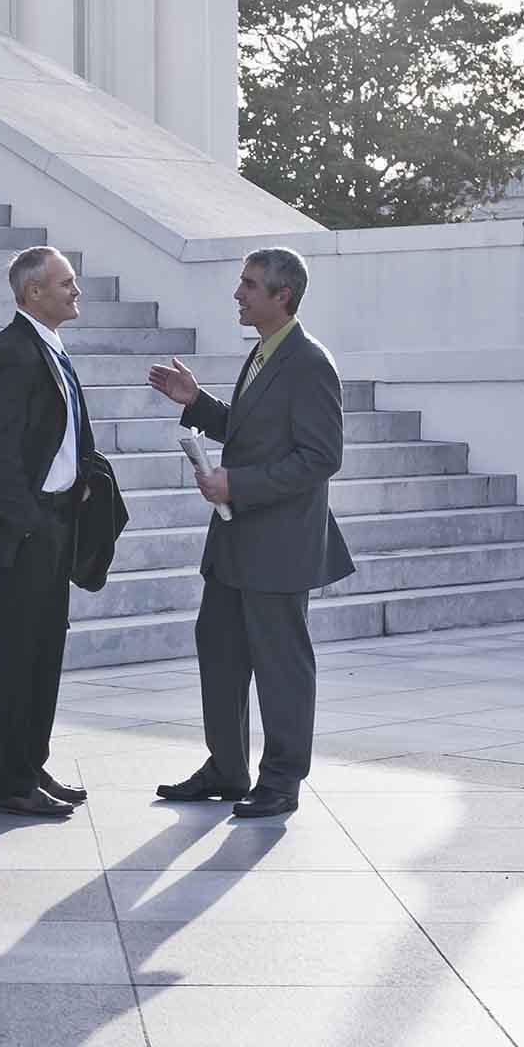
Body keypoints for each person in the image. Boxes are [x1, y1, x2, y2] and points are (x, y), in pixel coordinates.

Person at [146, 248, 355, 818]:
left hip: (279, 544)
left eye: (249, 285)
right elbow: (255, 430)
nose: (238, 294)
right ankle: (227, 768)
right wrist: (198, 404)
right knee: (218, 649)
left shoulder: (309, 362)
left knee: (281, 663)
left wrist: (236, 484)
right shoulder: (264, 353)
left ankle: (282, 779)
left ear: (281, 296)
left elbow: (320, 457)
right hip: (237, 541)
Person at [0, 246, 93, 818]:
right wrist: (31, 524)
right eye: (65, 284)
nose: (75, 292)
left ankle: (31, 765)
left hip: (58, 520)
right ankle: (9, 783)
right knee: (17, 658)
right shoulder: (12, 354)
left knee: (45, 654)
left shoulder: (49, 347)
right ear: (32, 292)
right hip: (30, 530)